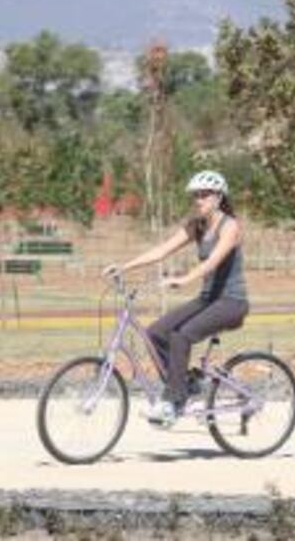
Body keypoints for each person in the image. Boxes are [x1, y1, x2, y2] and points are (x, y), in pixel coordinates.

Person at [103, 170, 249, 426]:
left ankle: (172, 401)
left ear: (218, 197)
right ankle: (186, 385)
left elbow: (214, 261)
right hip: (207, 300)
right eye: (196, 196)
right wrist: (125, 266)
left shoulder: (230, 227)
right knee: (155, 333)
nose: (198, 200)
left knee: (181, 335)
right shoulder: (197, 225)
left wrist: (185, 279)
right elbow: (162, 250)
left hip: (231, 302)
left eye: (204, 195)